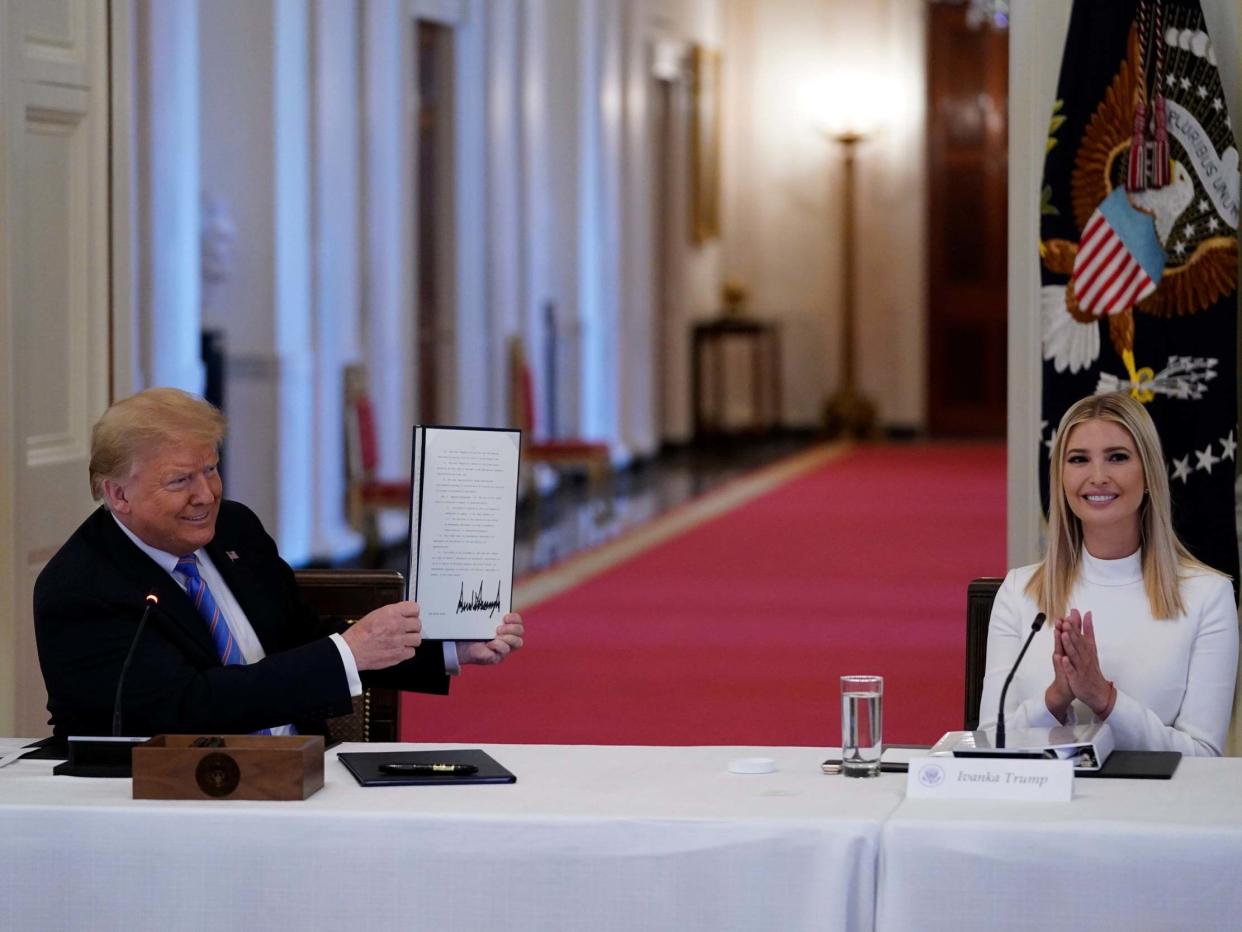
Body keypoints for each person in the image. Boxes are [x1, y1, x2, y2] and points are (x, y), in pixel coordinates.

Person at [33, 388, 524, 737]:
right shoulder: (81, 588)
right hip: (172, 802)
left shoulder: (234, 529)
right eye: (180, 481)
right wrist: (348, 652)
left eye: (211, 469)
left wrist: (449, 647)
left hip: (302, 771)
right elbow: (188, 707)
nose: (206, 496)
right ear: (118, 494)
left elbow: (301, 635)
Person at [978, 391, 1238, 756]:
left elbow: (1203, 756)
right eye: (1079, 459)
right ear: (1061, 479)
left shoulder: (1209, 596)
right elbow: (988, 743)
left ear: (1148, 473)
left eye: (1117, 457)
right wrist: (1055, 698)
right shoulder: (1019, 591)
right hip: (1039, 808)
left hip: (1152, 809)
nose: (1097, 477)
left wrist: (1103, 697)